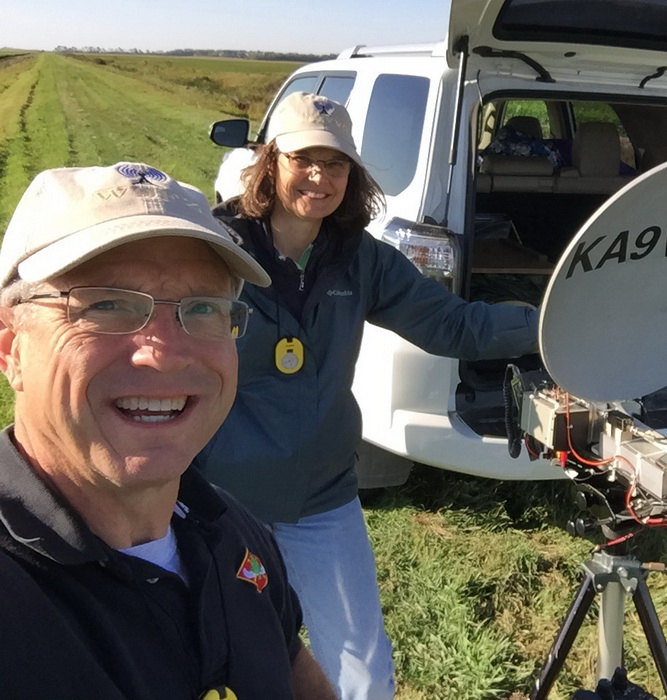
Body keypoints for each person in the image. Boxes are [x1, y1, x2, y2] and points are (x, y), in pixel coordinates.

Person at [194, 92, 539, 699]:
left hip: (321, 499)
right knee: (206, 655)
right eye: (305, 158)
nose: (321, 176)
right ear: (270, 161)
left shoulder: (361, 260)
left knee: (362, 672)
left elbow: (454, 326)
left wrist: (556, 327)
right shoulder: (212, 253)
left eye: (338, 163)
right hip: (217, 502)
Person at [0, 162, 337, 700]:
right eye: (106, 304)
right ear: (11, 347)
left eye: (202, 308)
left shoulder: (233, 532)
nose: (162, 356)